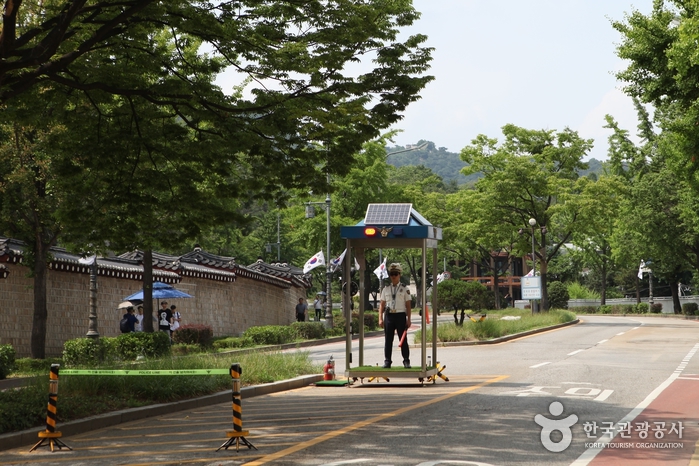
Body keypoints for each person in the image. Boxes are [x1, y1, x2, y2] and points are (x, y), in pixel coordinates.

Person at [378, 263, 412, 368]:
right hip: (389, 316)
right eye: (392, 274)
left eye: (395, 274)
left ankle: (406, 360)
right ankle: (387, 361)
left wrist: (409, 319)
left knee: (403, 339)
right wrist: (380, 318)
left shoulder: (404, 288)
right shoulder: (386, 289)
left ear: (399, 275)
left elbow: (408, 305)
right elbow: (382, 305)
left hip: (400, 315)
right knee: (388, 340)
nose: (393, 276)